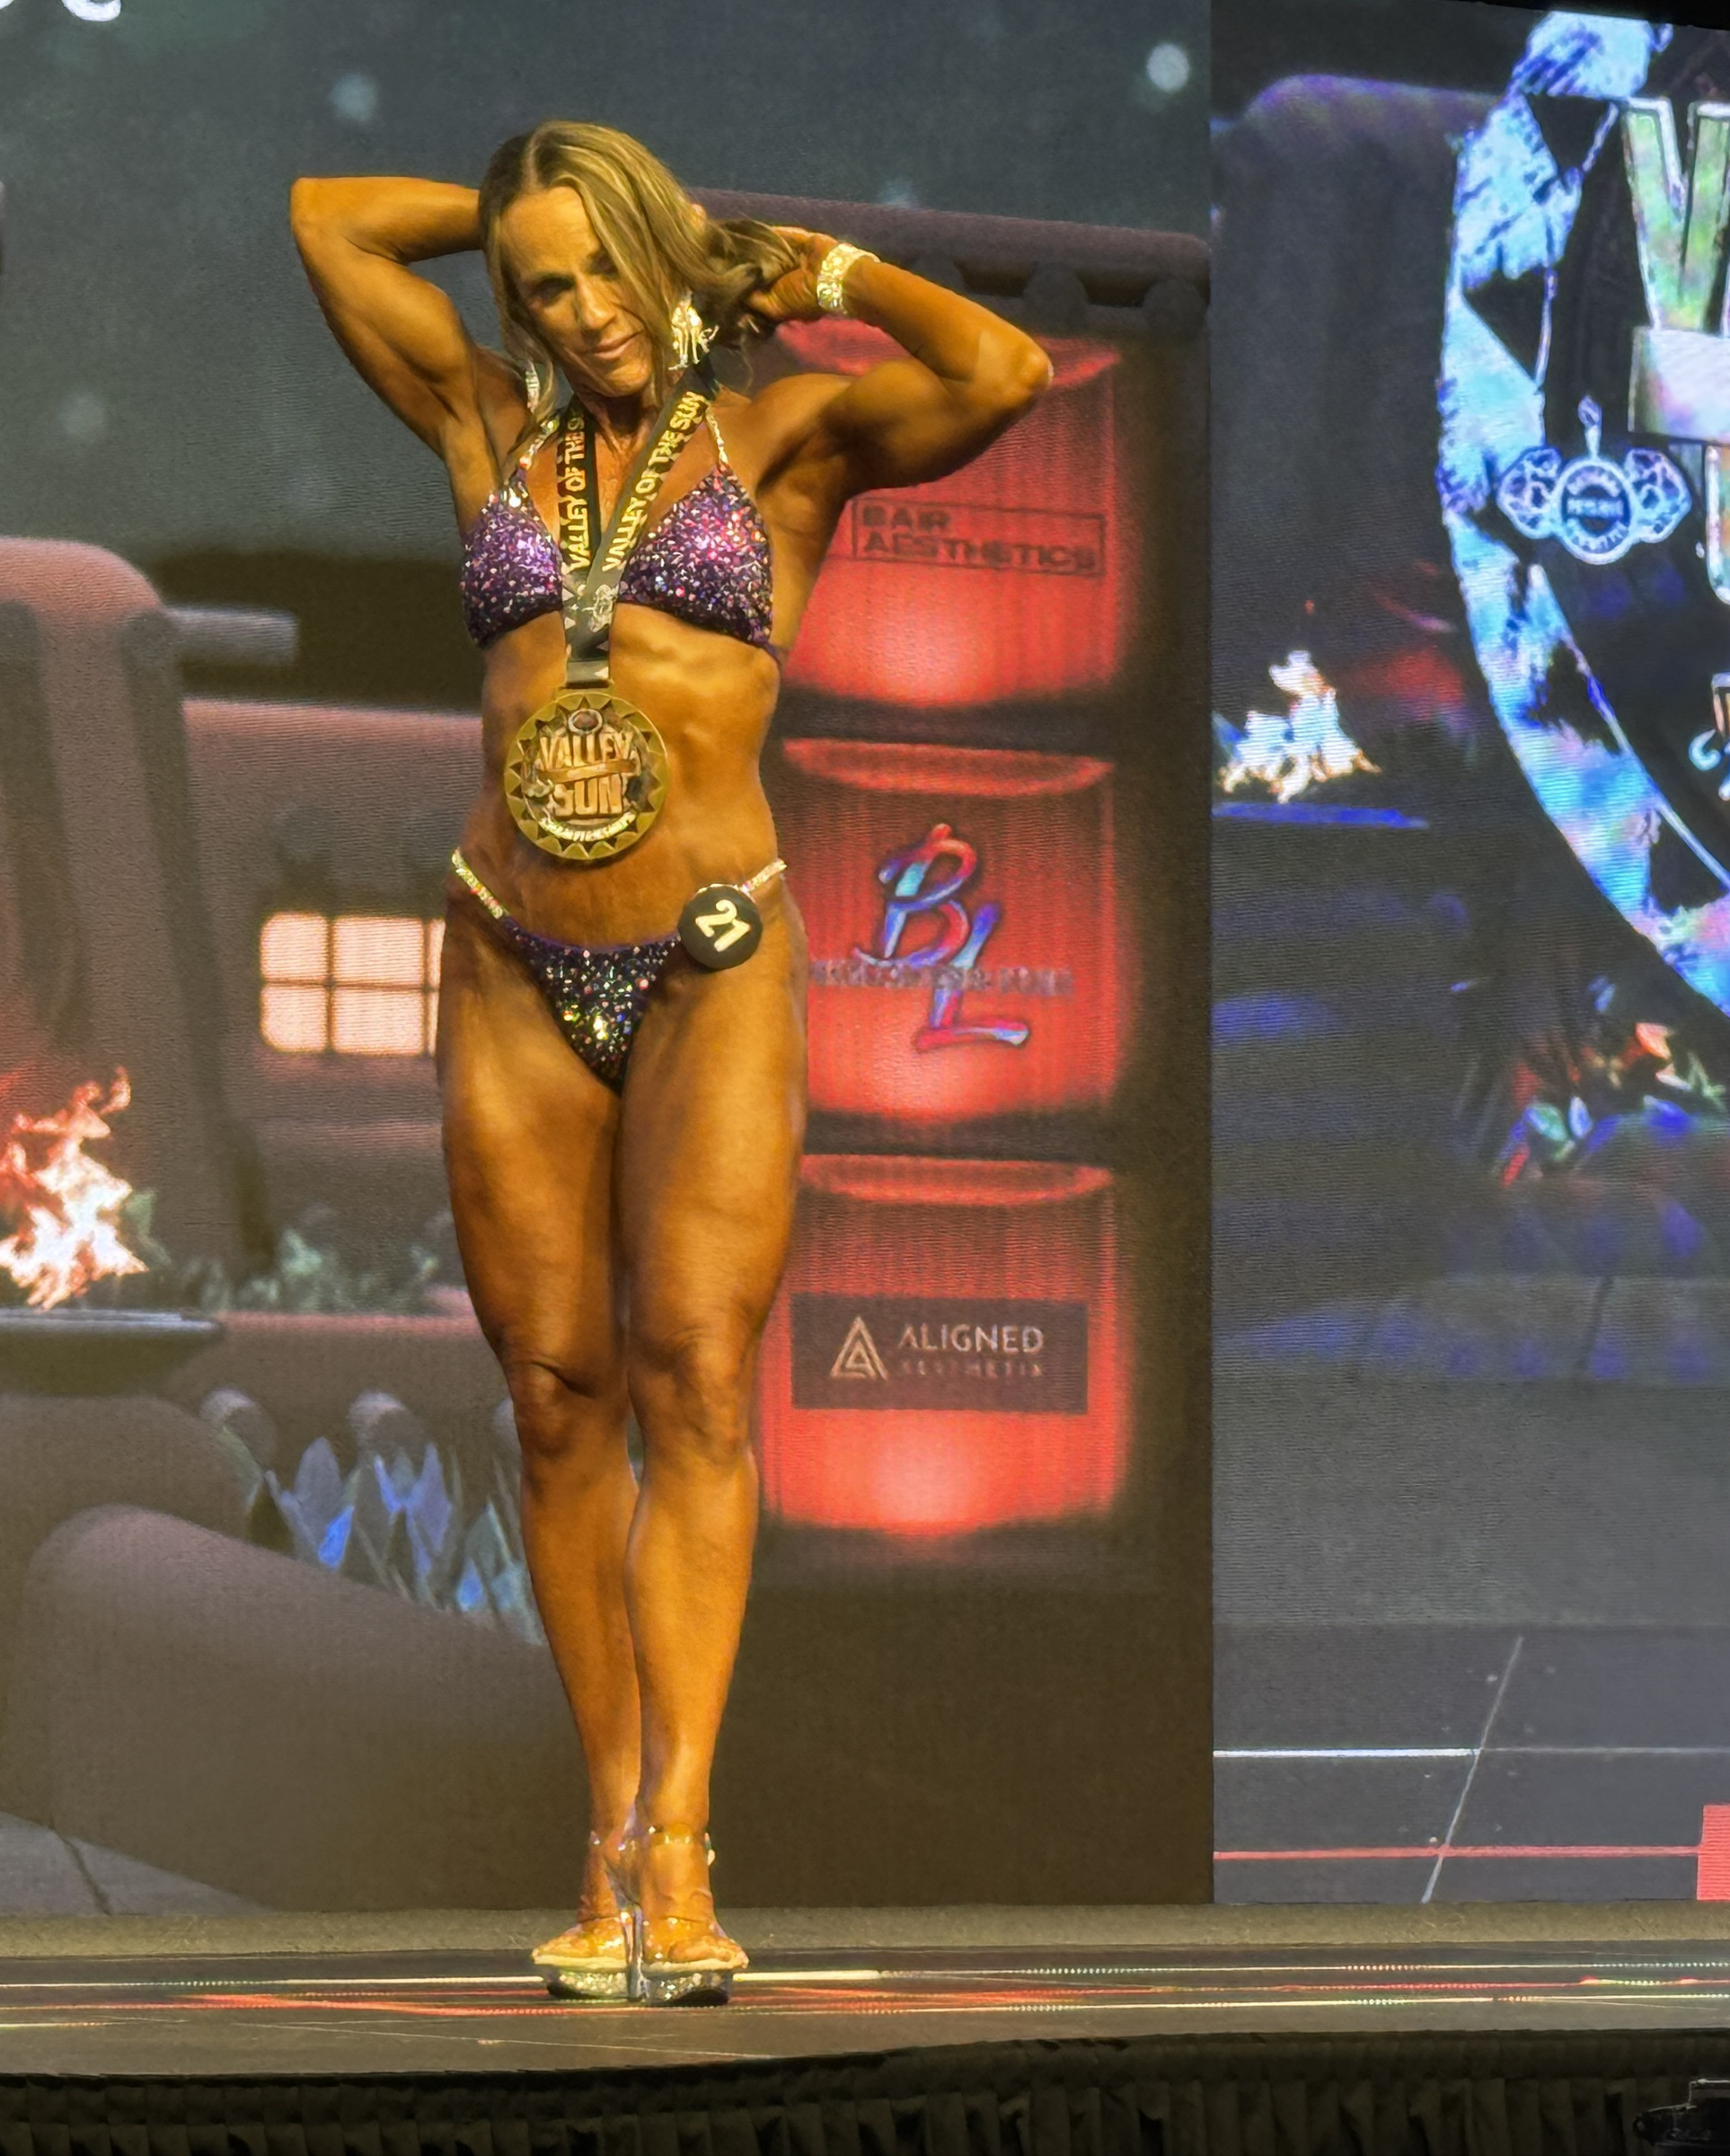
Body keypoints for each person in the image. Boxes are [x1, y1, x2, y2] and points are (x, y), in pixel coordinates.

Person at [292, 123, 1047, 1997]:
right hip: (510, 956)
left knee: (697, 1383)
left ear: (666, 253)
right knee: (558, 1401)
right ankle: (610, 1839)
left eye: (606, 269)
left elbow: (1001, 372)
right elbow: (326, 221)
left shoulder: (782, 441)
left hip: (711, 959)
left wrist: (816, 269)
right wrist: (509, 210)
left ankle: (691, 1850)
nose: (581, 313)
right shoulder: (486, 428)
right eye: (543, 284)